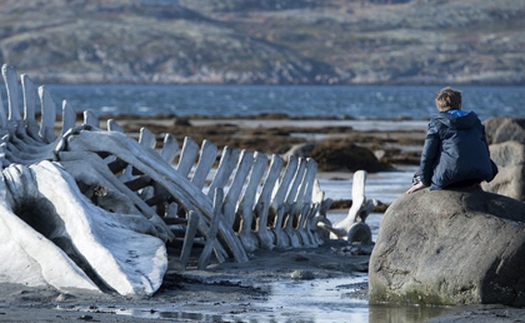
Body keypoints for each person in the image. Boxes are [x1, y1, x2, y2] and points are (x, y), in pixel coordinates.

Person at [406, 87, 498, 194]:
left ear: (439, 105)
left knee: (418, 175)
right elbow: (485, 151)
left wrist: (424, 181)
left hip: (451, 178)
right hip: (479, 175)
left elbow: (428, 155)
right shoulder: (475, 121)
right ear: (460, 104)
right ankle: (474, 184)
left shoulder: (438, 123)